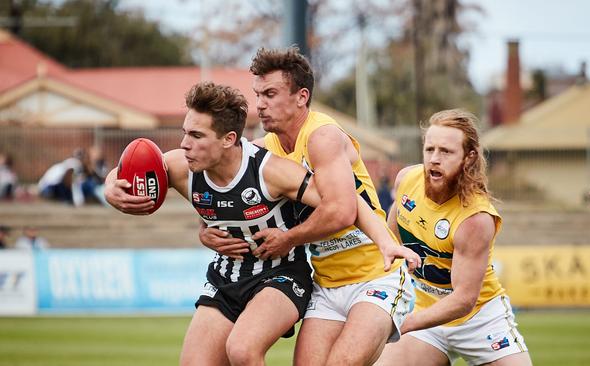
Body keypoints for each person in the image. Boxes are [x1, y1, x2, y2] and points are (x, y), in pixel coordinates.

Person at [103, 82, 416, 366]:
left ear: (228, 139)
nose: (184, 144)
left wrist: (386, 241)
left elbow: (344, 201)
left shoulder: (269, 170)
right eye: (185, 133)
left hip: (280, 275)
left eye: (196, 136)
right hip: (226, 276)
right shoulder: (181, 167)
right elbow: (129, 169)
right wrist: (110, 188)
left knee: (241, 349)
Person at [198, 46, 416, 366]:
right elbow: (222, 188)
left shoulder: (322, 136)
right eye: (258, 94)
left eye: (271, 93)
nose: (260, 104)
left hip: (375, 277)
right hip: (326, 286)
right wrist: (204, 229)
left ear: (301, 96)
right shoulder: (263, 151)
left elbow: (341, 211)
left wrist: (287, 239)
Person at [375, 109, 532, 366]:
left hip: (479, 319)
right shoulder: (406, 180)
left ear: (468, 158)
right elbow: (388, 243)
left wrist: (402, 323)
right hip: (423, 312)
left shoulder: (476, 217)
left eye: (446, 152)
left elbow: (463, 300)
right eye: (429, 150)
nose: (434, 159)